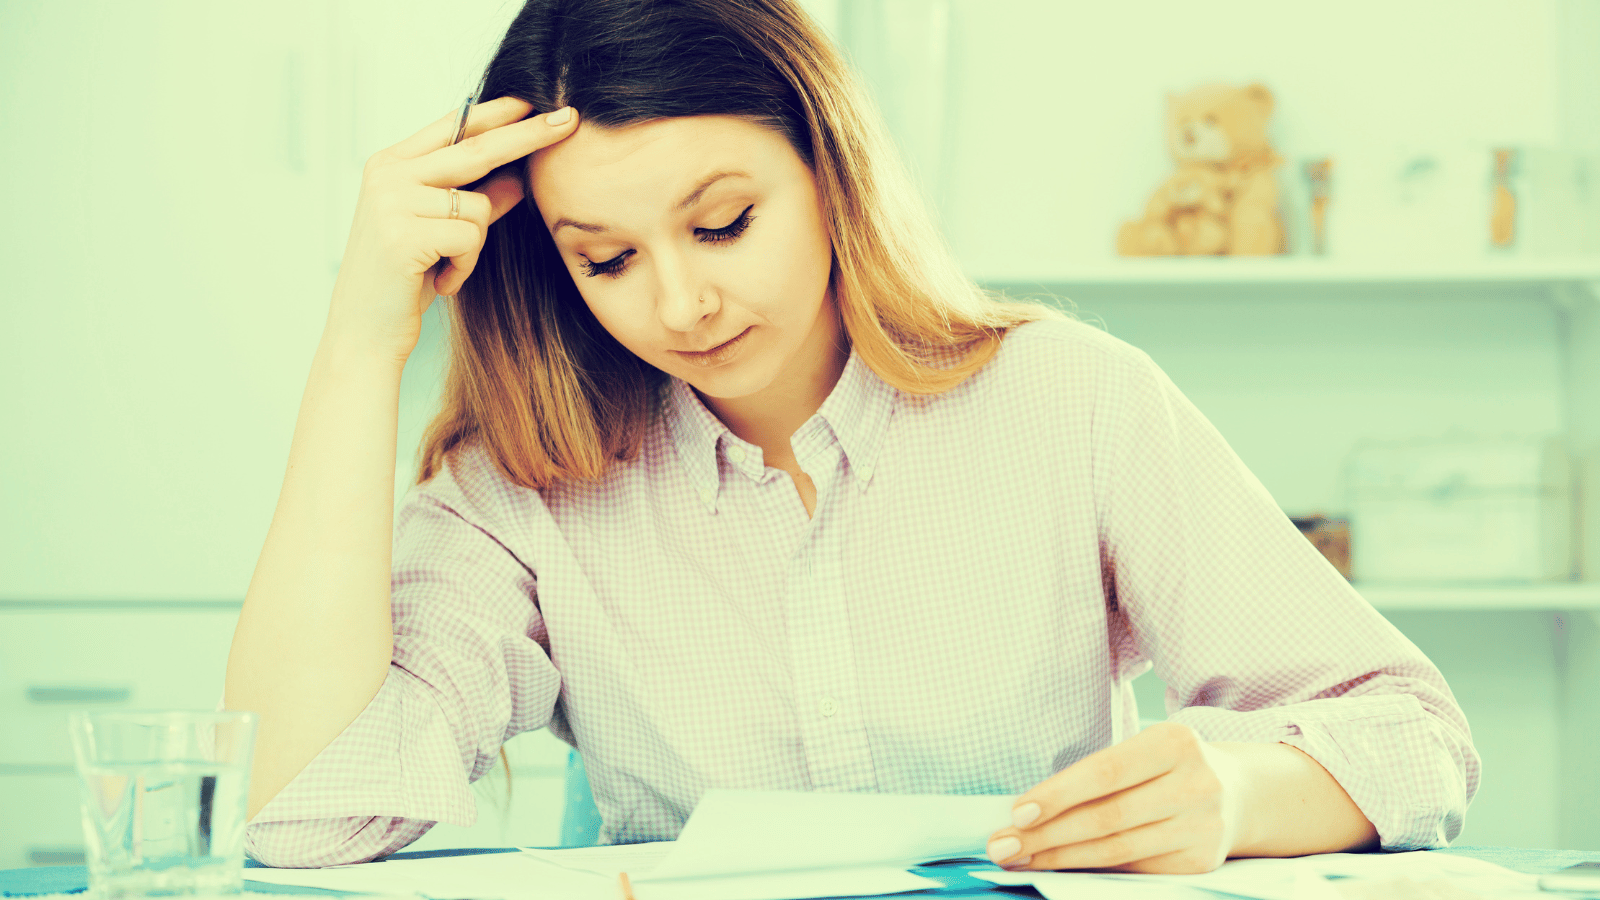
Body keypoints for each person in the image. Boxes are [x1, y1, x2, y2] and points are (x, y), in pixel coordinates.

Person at [224, 0, 1479, 874]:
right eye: (605, 259)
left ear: (829, 168)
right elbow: (306, 818)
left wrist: (1244, 793)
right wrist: (358, 350)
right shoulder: (523, 485)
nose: (679, 304)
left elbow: (1413, 736)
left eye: (722, 223)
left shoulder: (1069, 400)